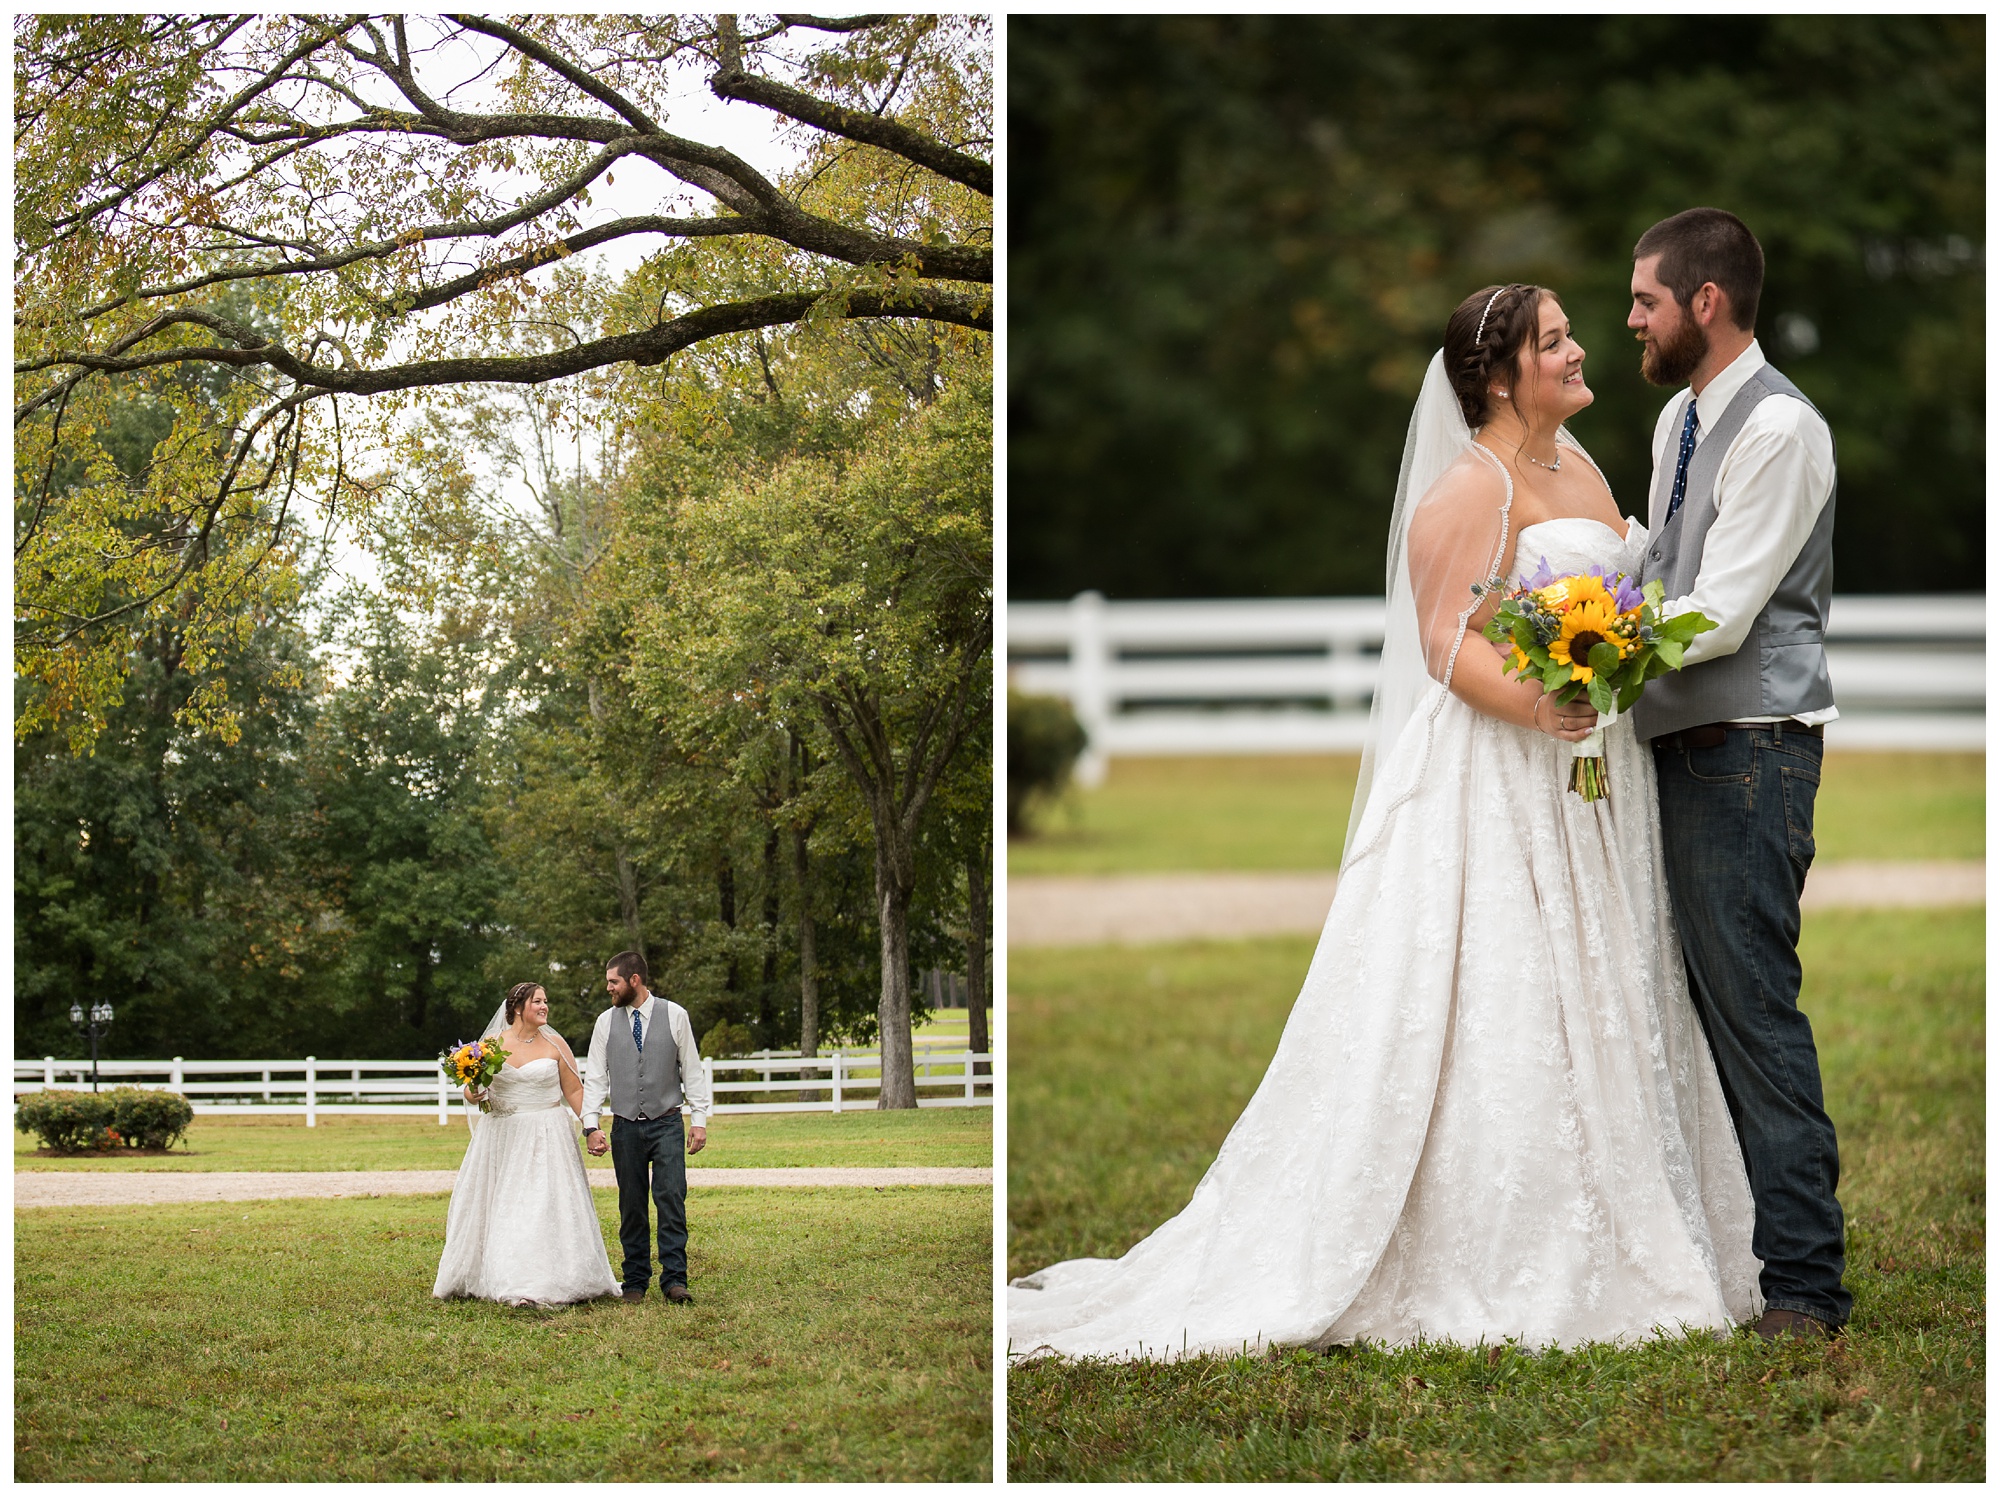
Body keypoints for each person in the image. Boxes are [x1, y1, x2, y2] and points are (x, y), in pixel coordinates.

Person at [1009, 280, 1764, 1360]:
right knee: (1507, 993)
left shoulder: (1584, 468)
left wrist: (1610, 670)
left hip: (1596, 785)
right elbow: (1442, 642)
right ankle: (1503, 1246)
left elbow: (1610, 602)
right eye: (1554, 342)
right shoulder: (1470, 487)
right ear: (1500, 376)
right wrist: (1540, 700)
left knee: (1606, 983)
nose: (1579, 350)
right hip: (1500, 782)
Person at [1627, 207, 1848, 1341]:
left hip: (1749, 755)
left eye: (1644, 301)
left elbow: (1717, 608)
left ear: (1702, 302)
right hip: (1682, 747)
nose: (1631, 321)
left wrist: (1597, 650)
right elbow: (1659, 563)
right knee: (1699, 1011)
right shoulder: (1678, 417)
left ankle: (1805, 1284)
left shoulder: (1779, 431)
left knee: (1755, 1015)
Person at [432, 982, 620, 1306]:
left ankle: (537, 1281)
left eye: (546, 1001)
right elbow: (472, 1087)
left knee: (539, 1207)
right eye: (538, 1001)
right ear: (518, 1007)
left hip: (547, 1136)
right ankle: (502, 1276)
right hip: (502, 1137)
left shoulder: (555, 1044)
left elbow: (575, 1091)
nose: (545, 1006)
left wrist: (592, 1128)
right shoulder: (491, 1045)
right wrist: (472, 1093)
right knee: (504, 1206)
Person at [580, 951, 711, 1304]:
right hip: (625, 1127)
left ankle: (675, 1281)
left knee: (671, 1199)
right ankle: (635, 1281)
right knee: (632, 1205)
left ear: (634, 980)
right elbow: (594, 1077)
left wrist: (698, 1121)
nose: (608, 987)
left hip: (667, 1122)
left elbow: (692, 1071)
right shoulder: (605, 1023)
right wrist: (590, 1125)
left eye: (613, 981)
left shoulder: (675, 1015)